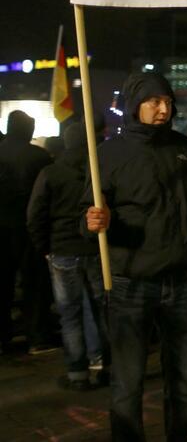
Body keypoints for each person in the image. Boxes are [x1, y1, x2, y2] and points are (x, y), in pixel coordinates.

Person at [83, 72, 187, 442]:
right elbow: (87, 215)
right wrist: (93, 220)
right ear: (134, 104)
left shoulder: (186, 149)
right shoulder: (108, 154)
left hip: (183, 282)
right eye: (154, 101)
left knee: (183, 383)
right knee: (127, 384)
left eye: (167, 102)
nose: (163, 109)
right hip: (130, 283)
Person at [27, 122, 109, 390]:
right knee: (100, 309)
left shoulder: (51, 173)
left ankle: (77, 372)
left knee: (70, 313)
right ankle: (101, 363)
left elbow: (35, 214)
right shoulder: (97, 172)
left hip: (62, 250)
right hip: (94, 249)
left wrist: (45, 248)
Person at [0, 110, 54, 353]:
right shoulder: (39, 156)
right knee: (34, 284)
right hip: (30, 229)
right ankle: (37, 336)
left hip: (2, 228)